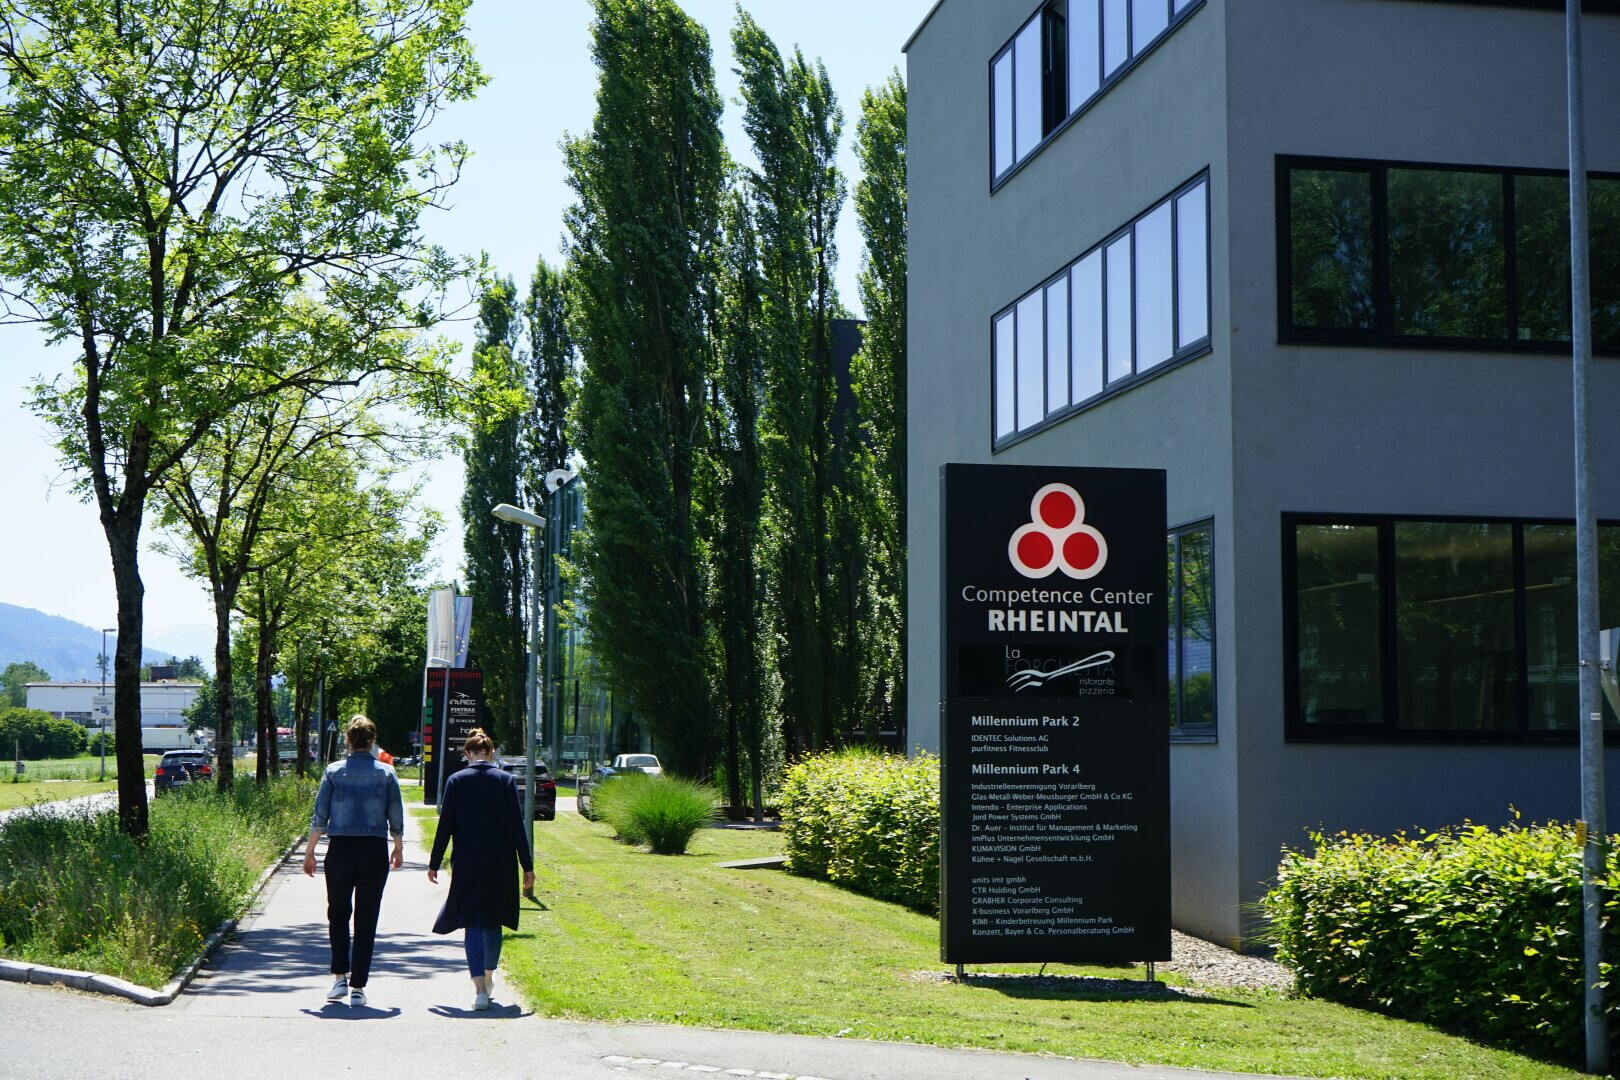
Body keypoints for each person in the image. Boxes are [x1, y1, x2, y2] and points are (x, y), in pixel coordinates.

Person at [427, 728, 535, 1011]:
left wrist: (435, 863)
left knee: (472, 923)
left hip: (467, 863)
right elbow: (517, 826)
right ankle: (488, 975)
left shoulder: (456, 781)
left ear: (468, 754)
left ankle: (479, 991)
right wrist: (527, 866)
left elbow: (445, 826)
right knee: (493, 920)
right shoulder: (505, 780)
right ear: (492, 753)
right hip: (500, 862)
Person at [303, 715, 405, 1008]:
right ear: (372, 741)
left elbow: (320, 815)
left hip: (341, 850)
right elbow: (395, 814)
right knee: (366, 917)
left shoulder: (334, 771)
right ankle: (358, 986)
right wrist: (398, 847)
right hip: (374, 849)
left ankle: (339, 977)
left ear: (348, 740)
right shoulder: (386, 773)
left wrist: (310, 851)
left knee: (338, 913)